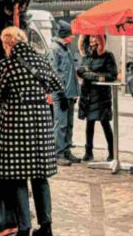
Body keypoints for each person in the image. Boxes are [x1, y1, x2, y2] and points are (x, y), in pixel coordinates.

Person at [0, 26, 63, 236]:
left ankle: (24, 228)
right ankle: (46, 226)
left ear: (8, 44)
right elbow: (57, 84)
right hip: (41, 123)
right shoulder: (41, 60)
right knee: (40, 176)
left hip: (17, 123)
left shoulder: (7, 65)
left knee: (19, 177)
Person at [76, 35, 117, 162]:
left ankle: (112, 152)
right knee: (89, 123)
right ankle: (88, 152)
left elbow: (112, 75)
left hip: (101, 95)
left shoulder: (108, 55)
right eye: (90, 37)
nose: (92, 39)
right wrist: (81, 72)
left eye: (95, 37)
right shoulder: (87, 55)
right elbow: (82, 71)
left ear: (101, 39)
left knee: (105, 123)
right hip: (88, 95)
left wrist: (94, 76)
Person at [50, 21, 80, 166]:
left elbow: (69, 73)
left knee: (68, 124)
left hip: (69, 93)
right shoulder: (55, 49)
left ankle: (66, 151)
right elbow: (54, 72)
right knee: (61, 124)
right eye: (71, 34)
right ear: (64, 35)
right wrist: (60, 93)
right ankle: (58, 154)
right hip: (61, 94)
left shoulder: (65, 48)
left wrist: (74, 92)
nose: (73, 36)